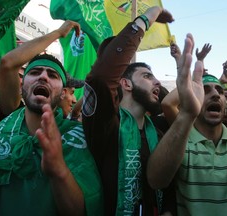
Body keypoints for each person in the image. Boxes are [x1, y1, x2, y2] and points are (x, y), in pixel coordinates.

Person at [0, 20, 103, 216]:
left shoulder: (77, 137)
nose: (43, 77)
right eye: (36, 72)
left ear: (63, 92)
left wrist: (58, 170)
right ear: (22, 85)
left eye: (53, 75)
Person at [147, 34, 227, 215]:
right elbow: (156, 180)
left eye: (220, 91)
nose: (215, 94)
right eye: (205, 90)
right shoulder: (181, 146)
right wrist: (188, 113)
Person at [82, 6, 174, 215]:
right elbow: (101, 79)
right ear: (126, 84)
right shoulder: (104, 123)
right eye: (147, 76)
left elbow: (169, 186)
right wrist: (146, 18)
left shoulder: (158, 134)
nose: (157, 81)